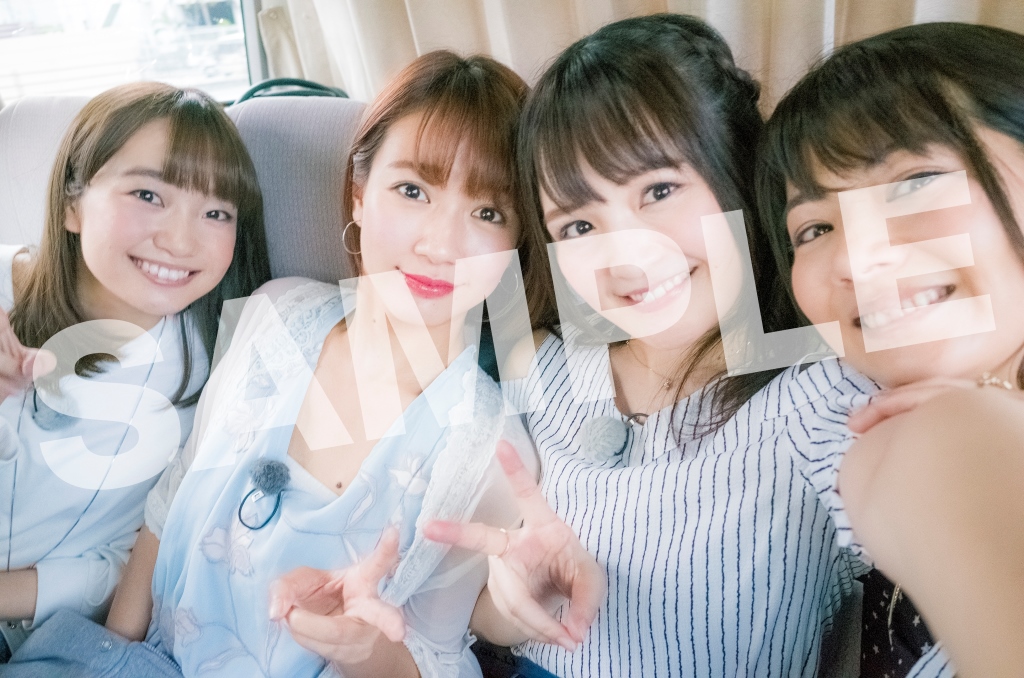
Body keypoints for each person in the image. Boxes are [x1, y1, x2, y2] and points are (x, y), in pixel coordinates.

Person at [14, 50, 555, 678]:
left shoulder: (488, 451)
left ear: (516, 241)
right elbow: (170, 502)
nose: (441, 245)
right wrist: (109, 655)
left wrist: (361, 646)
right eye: (413, 191)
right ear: (359, 194)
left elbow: (432, 658)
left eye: (488, 213)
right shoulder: (275, 310)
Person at [427, 14, 868, 678]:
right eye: (578, 225)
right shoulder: (538, 361)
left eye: (659, 190)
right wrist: (512, 604)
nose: (626, 258)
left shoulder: (828, 391)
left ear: (738, 175)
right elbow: (483, 616)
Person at [756, 22, 1024, 678]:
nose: (853, 258)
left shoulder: (942, 431)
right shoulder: (856, 418)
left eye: (913, 181)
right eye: (813, 228)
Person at [0, 82, 270, 662]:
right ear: (72, 204)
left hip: (45, 637)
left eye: (216, 212)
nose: (180, 240)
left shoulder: (214, 374)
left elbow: (134, 559)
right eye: (148, 195)